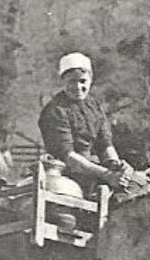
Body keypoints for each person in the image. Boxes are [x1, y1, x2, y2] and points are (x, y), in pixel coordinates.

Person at [37, 52, 133, 195]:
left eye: (82, 81)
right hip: (67, 172)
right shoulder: (55, 110)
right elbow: (68, 156)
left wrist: (116, 166)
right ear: (63, 81)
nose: (77, 86)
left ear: (90, 80)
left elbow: (105, 144)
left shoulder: (94, 106)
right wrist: (106, 175)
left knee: (137, 184)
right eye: (71, 81)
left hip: (95, 169)